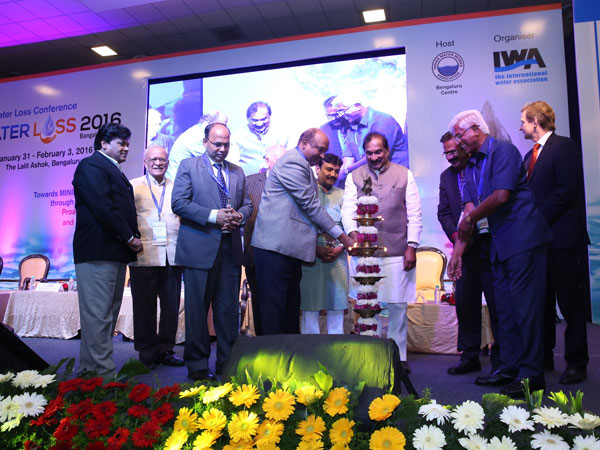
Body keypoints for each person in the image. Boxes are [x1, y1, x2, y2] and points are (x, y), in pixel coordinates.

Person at [447, 110, 552, 398]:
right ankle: (508, 368)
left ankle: (531, 376)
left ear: (476, 129)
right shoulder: (470, 166)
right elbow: (469, 211)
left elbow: (501, 196)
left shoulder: (503, 151)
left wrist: (470, 219)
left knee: (525, 310)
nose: (457, 141)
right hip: (497, 245)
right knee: (504, 312)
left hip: (522, 240)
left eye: (459, 135)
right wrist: (458, 253)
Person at [252, 128, 354, 335]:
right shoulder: (293, 162)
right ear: (304, 143)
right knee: (275, 314)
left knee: (289, 312)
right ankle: (273, 354)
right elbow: (310, 205)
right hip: (274, 248)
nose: (322, 155)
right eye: (320, 149)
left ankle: (289, 353)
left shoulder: (304, 165)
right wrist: (342, 236)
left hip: (288, 249)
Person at [171, 123, 252, 381]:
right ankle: (197, 365)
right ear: (205, 142)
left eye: (226, 144)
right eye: (217, 144)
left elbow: (247, 204)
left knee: (228, 312)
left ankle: (227, 363)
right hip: (199, 250)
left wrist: (239, 216)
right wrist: (214, 216)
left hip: (230, 251)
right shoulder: (188, 166)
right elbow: (178, 203)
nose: (222, 149)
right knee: (197, 311)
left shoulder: (237, 171)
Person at [520, 101, 590, 384]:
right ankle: (544, 357)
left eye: (523, 121)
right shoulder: (530, 155)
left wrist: (534, 220)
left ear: (536, 121)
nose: (520, 127)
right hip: (539, 243)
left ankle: (577, 363)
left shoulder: (564, 147)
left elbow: (565, 191)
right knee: (543, 302)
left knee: (570, 303)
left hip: (562, 239)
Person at [341, 131, 422, 373]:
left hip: (398, 249)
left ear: (387, 151)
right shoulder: (354, 176)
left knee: (397, 306)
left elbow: (414, 213)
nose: (374, 157)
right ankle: (372, 353)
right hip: (366, 253)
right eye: (369, 153)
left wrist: (412, 246)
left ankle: (399, 357)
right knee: (369, 305)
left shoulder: (404, 174)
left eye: (379, 152)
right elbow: (347, 210)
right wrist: (354, 235)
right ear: (364, 154)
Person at [72, 122, 143, 375]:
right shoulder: (91, 165)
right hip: (98, 253)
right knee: (98, 316)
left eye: (127, 143)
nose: (126, 148)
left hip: (112, 254)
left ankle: (91, 372)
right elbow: (103, 207)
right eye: (121, 143)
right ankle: (102, 374)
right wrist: (129, 237)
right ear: (103, 143)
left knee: (106, 316)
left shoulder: (111, 168)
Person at [437, 132, 499, 375]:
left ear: (464, 147)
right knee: (465, 303)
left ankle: (501, 357)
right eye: (446, 153)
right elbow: (443, 212)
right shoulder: (446, 177)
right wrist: (457, 237)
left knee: (496, 304)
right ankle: (469, 356)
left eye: (454, 151)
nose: (450, 157)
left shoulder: (482, 168)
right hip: (463, 250)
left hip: (490, 245)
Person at [129, 145, 183, 368]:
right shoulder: (133, 185)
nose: (158, 163)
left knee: (171, 307)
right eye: (153, 159)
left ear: (168, 162)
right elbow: (126, 217)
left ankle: (166, 349)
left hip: (172, 254)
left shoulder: (177, 187)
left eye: (162, 159)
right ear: (145, 162)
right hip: (143, 254)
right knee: (144, 307)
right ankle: (147, 352)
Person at [300, 153, 349, 334]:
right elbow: (299, 224)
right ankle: (311, 350)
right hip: (311, 257)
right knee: (310, 309)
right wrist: (315, 249)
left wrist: (340, 248)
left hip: (338, 257)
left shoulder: (343, 195)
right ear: (317, 168)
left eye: (336, 171)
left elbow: (350, 227)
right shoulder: (307, 193)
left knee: (336, 308)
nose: (333, 174)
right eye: (329, 169)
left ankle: (337, 349)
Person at [243, 144, 287, 336]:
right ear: (267, 161)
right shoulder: (249, 182)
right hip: (255, 255)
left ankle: (284, 344)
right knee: (260, 302)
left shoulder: (294, 183)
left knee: (284, 304)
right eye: (280, 161)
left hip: (285, 255)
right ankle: (263, 343)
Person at [329, 94, 409, 181]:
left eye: (343, 111)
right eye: (339, 112)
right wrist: (337, 176)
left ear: (357, 106)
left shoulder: (382, 121)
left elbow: (376, 156)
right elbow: (348, 159)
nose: (341, 115)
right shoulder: (351, 127)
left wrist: (348, 171)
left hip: (397, 177)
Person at [166, 110, 228, 180]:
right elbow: (214, 160)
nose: (224, 128)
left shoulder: (197, 131)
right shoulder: (198, 137)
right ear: (210, 122)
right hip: (179, 181)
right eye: (222, 125)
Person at [236, 101, 288, 175]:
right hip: (247, 180)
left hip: (274, 178)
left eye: (263, 119)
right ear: (248, 119)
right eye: (255, 120)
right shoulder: (237, 136)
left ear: (270, 117)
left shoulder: (281, 134)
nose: (259, 124)